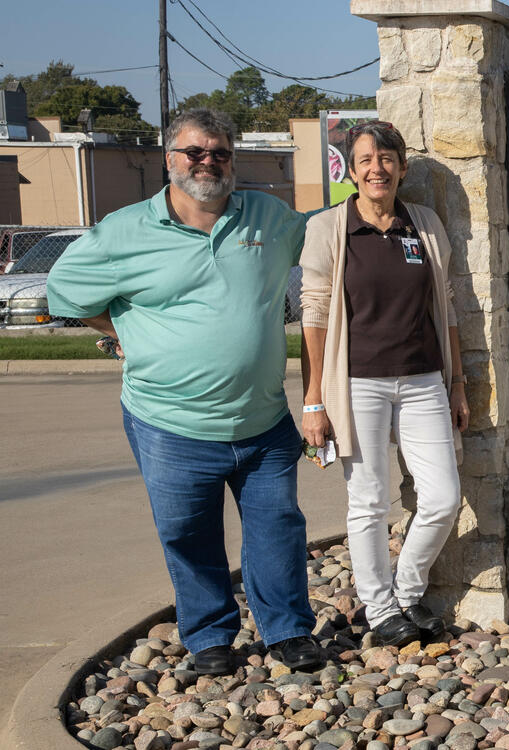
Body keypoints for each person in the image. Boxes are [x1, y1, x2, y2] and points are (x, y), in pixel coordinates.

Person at [46, 108, 322, 675]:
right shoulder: (125, 231)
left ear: (233, 160)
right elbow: (65, 291)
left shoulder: (269, 218)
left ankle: (288, 631)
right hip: (169, 422)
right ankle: (210, 638)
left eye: (219, 152)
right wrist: (118, 330)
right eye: (194, 152)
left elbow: (327, 247)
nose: (208, 163)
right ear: (168, 159)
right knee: (188, 534)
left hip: (263, 420)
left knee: (278, 531)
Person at [298, 121, 467, 647]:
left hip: (423, 380)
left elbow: (449, 308)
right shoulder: (329, 228)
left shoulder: (425, 225)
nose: (378, 168)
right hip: (357, 384)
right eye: (366, 159)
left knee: (443, 496)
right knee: (368, 502)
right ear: (351, 170)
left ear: (402, 167)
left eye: (387, 158)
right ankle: (378, 608)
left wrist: (457, 381)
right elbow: (315, 313)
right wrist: (313, 401)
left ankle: (406, 593)